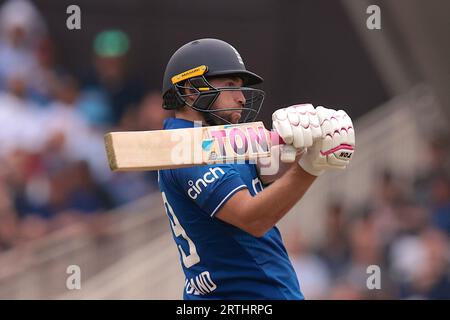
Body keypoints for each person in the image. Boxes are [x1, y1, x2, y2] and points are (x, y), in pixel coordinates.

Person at [158, 38, 355, 299]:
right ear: (192, 91)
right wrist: (312, 165)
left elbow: (269, 172)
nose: (241, 98)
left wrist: (303, 142)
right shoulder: (188, 148)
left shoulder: (215, 138)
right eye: (230, 86)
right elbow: (253, 218)